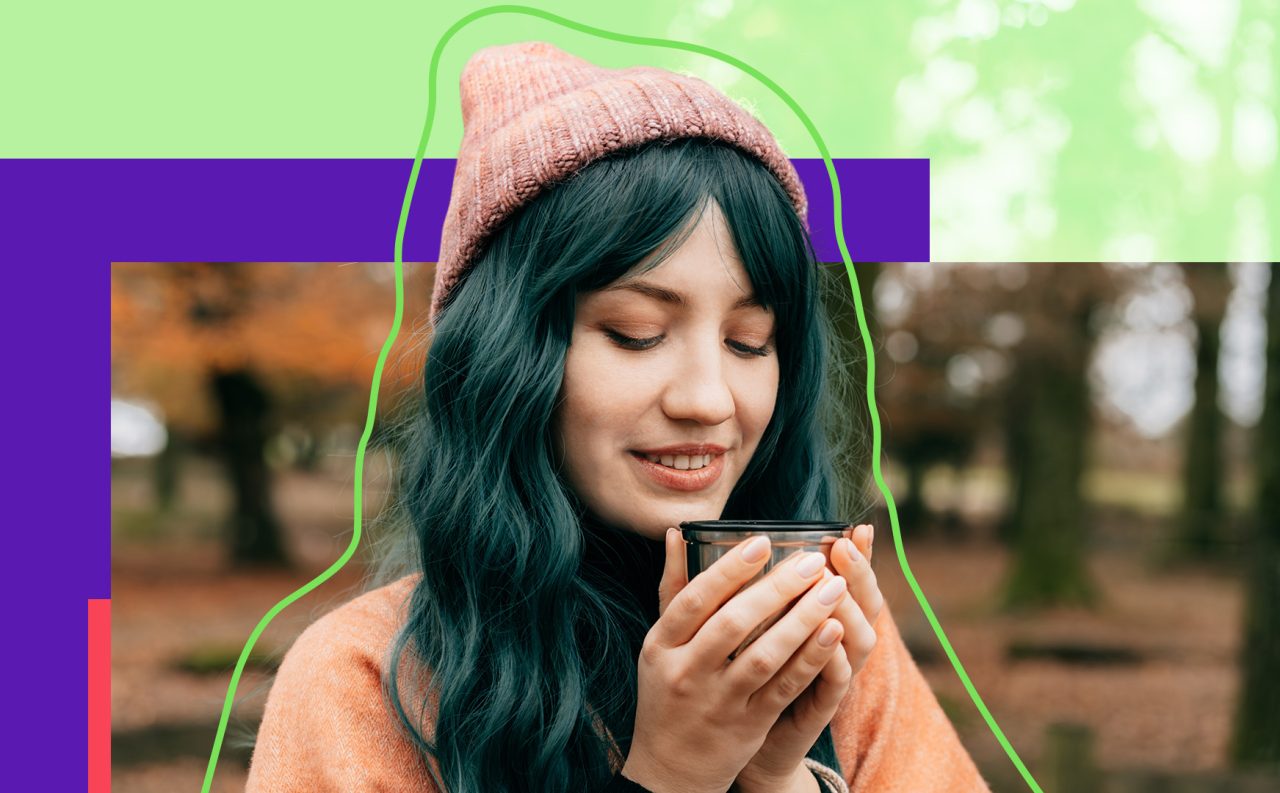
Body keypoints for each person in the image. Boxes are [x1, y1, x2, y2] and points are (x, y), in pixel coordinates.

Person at [246, 42, 991, 793]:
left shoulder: (816, 637)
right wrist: (671, 774)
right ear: (508, 358)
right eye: (637, 332)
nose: (708, 398)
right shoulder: (367, 677)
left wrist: (780, 778)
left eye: (749, 341)